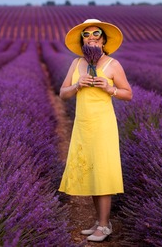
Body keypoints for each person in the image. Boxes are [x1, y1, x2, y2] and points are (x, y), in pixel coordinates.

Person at [58, 19, 132, 242]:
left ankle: (104, 226)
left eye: (96, 34)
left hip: (102, 125)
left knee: (102, 172)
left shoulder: (112, 65)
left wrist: (110, 88)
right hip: (83, 125)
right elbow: (63, 93)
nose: (91, 38)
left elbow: (128, 93)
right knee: (91, 171)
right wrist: (77, 85)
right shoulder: (76, 64)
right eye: (86, 35)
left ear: (103, 39)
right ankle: (101, 222)